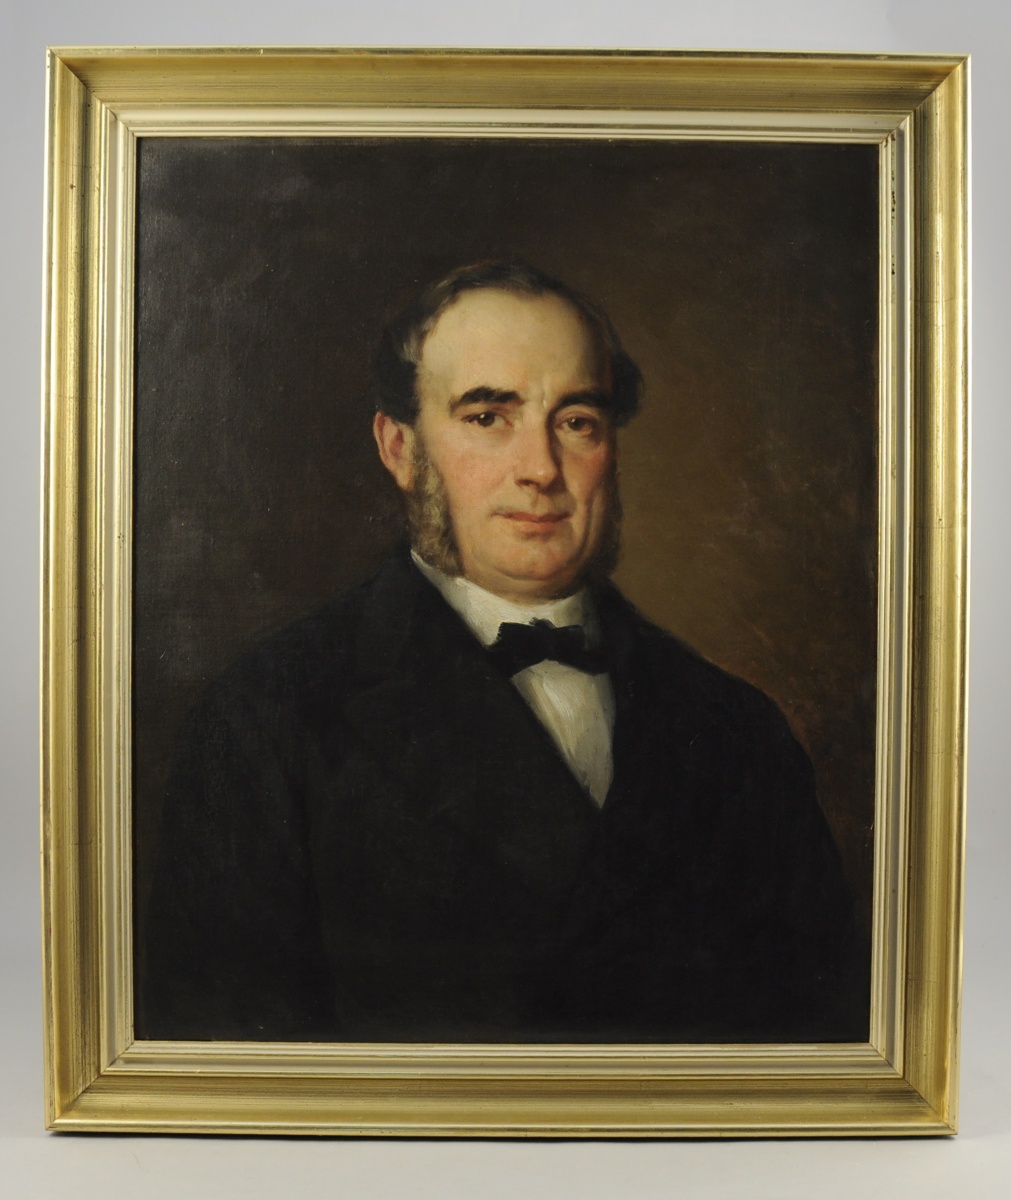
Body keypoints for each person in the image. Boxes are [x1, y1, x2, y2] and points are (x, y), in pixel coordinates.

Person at [138, 261, 868, 1044]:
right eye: (488, 417)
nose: (541, 470)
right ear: (399, 448)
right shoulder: (265, 720)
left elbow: (815, 1044)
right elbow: (225, 1059)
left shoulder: (737, 733)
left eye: (576, 421)